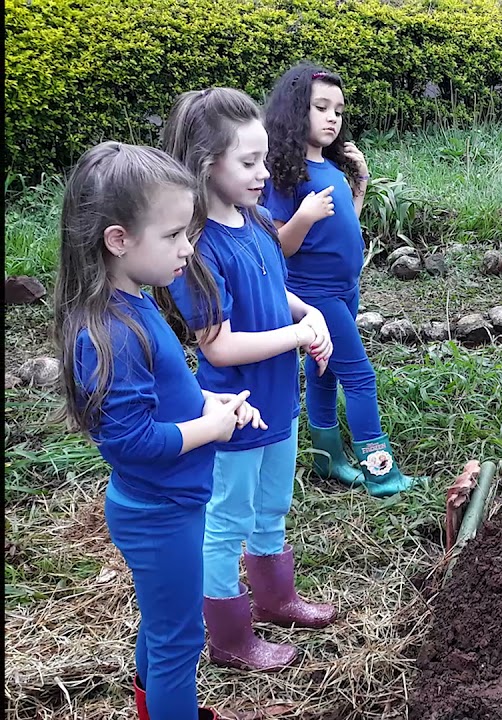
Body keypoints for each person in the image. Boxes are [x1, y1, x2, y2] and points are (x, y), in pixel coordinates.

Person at [53, 142, 263, 719]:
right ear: (118, 240)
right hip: (158, 513)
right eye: (172, 236)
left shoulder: (136, 300)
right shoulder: (112, 333)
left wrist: (207, 399)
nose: (187, 249)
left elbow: (158, 396)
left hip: (169, 505)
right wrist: (209, 426)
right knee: (179, 643)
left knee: (164, 624)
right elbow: (132, 442)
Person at [156, 87, 337, 673]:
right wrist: (297, 337)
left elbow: (270, 294)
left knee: (272, 508)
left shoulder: (257, 222)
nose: (265, 173)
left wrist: (305, 313)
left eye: (263, 160)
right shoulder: (201, 248)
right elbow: (221, 343)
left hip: (279, 404)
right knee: (225, 522)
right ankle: (230, 634)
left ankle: (276, 599)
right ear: (208, 166)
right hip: (234, 412)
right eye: (249, 163)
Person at [261, 62, 419, 497]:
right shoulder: (285, 174)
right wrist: (303, 217)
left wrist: (362, 183)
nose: (332, 117)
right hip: (315, 295)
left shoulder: (327, 167)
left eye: (339, 110)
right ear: (296, 112)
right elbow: (279, 245)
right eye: (321, 107)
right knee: (360, 377)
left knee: (324, 370)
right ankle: (382, 473)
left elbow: (344, 220)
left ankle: (327, 459)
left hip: (345, 290)